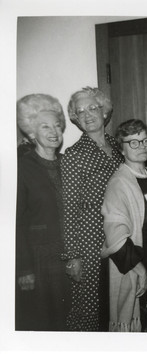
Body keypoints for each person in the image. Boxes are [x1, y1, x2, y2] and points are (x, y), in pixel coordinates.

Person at [101, 119, 147, 332]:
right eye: (133, 142)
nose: (142, 146)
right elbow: (114, 236)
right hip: (136, 261)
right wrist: (140, 269)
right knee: (144, 325)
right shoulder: (119, 183)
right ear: (121, 149)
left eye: (145, 141)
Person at [61, 87, 124, 331]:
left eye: (92, 108)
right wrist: (72, 256)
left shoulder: (118, 148)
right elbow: (68, 208)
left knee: (117, 302)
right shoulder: (74, 155)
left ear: (104, 111)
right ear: (75, 119)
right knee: (90, 308)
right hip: (90, 241)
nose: (87, 115)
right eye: (80, 112)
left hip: (119, 234)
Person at [15, 94, 71, 331]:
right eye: (44, 126)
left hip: (68, 254)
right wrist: (24, 268)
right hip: (38, 258)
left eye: (57, 125)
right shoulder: (21, 167)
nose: (53, 131)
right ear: (30, 132)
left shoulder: (67, 163)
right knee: (43, 323)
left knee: (66, 320)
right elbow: (13, 223)